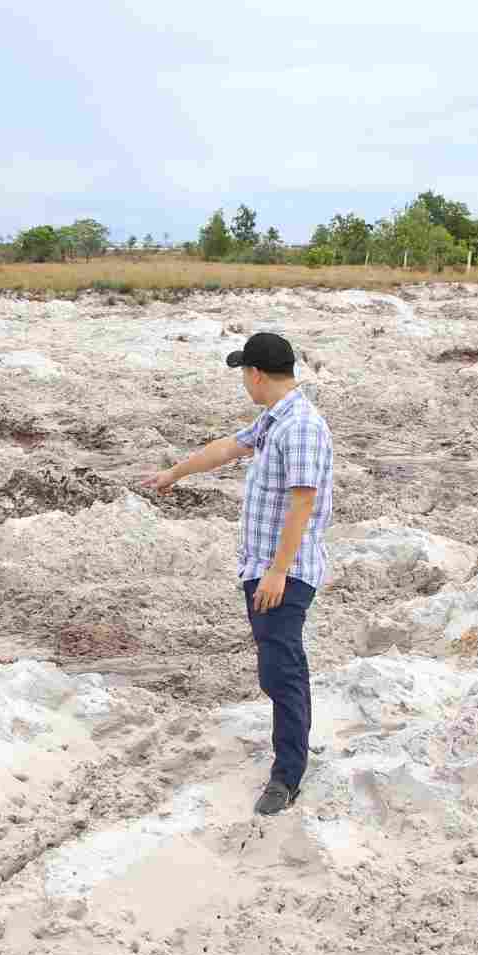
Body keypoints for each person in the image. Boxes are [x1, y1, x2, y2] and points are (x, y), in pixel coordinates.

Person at [143, 332, 334, 816]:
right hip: (264, 567)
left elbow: (304, 501)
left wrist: (277, 573)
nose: (242, 383)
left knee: (282, 668)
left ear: (256, 373)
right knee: (277, 664)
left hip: (283, 572)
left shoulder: (302, 428)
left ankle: (287, 775)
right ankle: (290, 756)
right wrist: (175, 473)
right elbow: (228, 447)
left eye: (243, 373)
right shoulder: (274, 420)